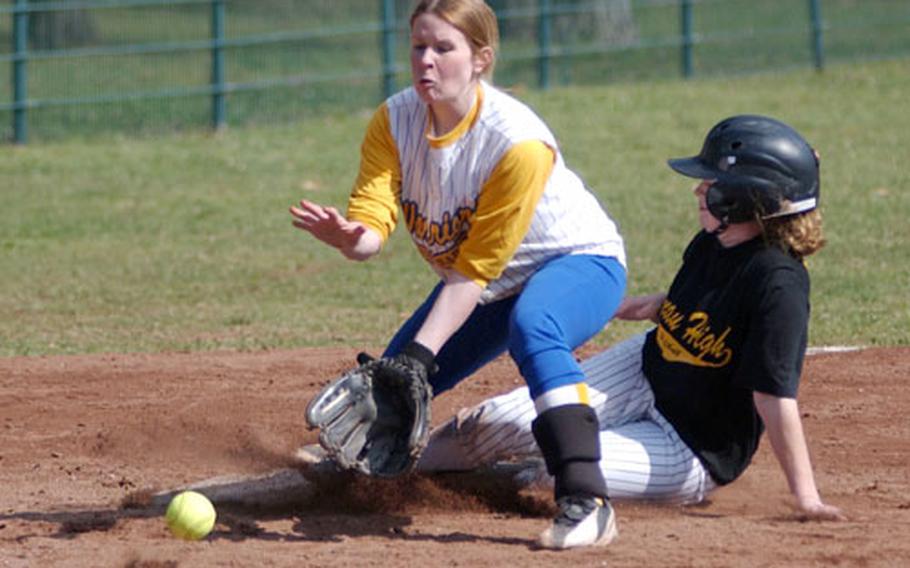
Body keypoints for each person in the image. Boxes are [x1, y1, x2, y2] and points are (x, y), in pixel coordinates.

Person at [413, 114, 847, 547]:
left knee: (554, 471)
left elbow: (772, 396)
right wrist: (629, 306)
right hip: (644, 370)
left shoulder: (780, 285)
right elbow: (696, 306)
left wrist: (805, 497)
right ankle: (391, 466)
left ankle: (473, 486)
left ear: (749, 198)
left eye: (713, 182)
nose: (699, 189)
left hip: (690, 445)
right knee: (496, 422)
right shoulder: (715, 241)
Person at [290, 0, 627, 550]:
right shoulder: (394, 120)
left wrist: (422, 358)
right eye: (419, 46)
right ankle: (355, 475)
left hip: (577, 261)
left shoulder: (516, 142)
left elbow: (475, 270)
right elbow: (374, 216)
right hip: (484, 279)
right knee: (391, 393)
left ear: (481, 59)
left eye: (444, 48)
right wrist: (356, 238)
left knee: (533, 325)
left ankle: (587, 499)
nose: (426, 60)